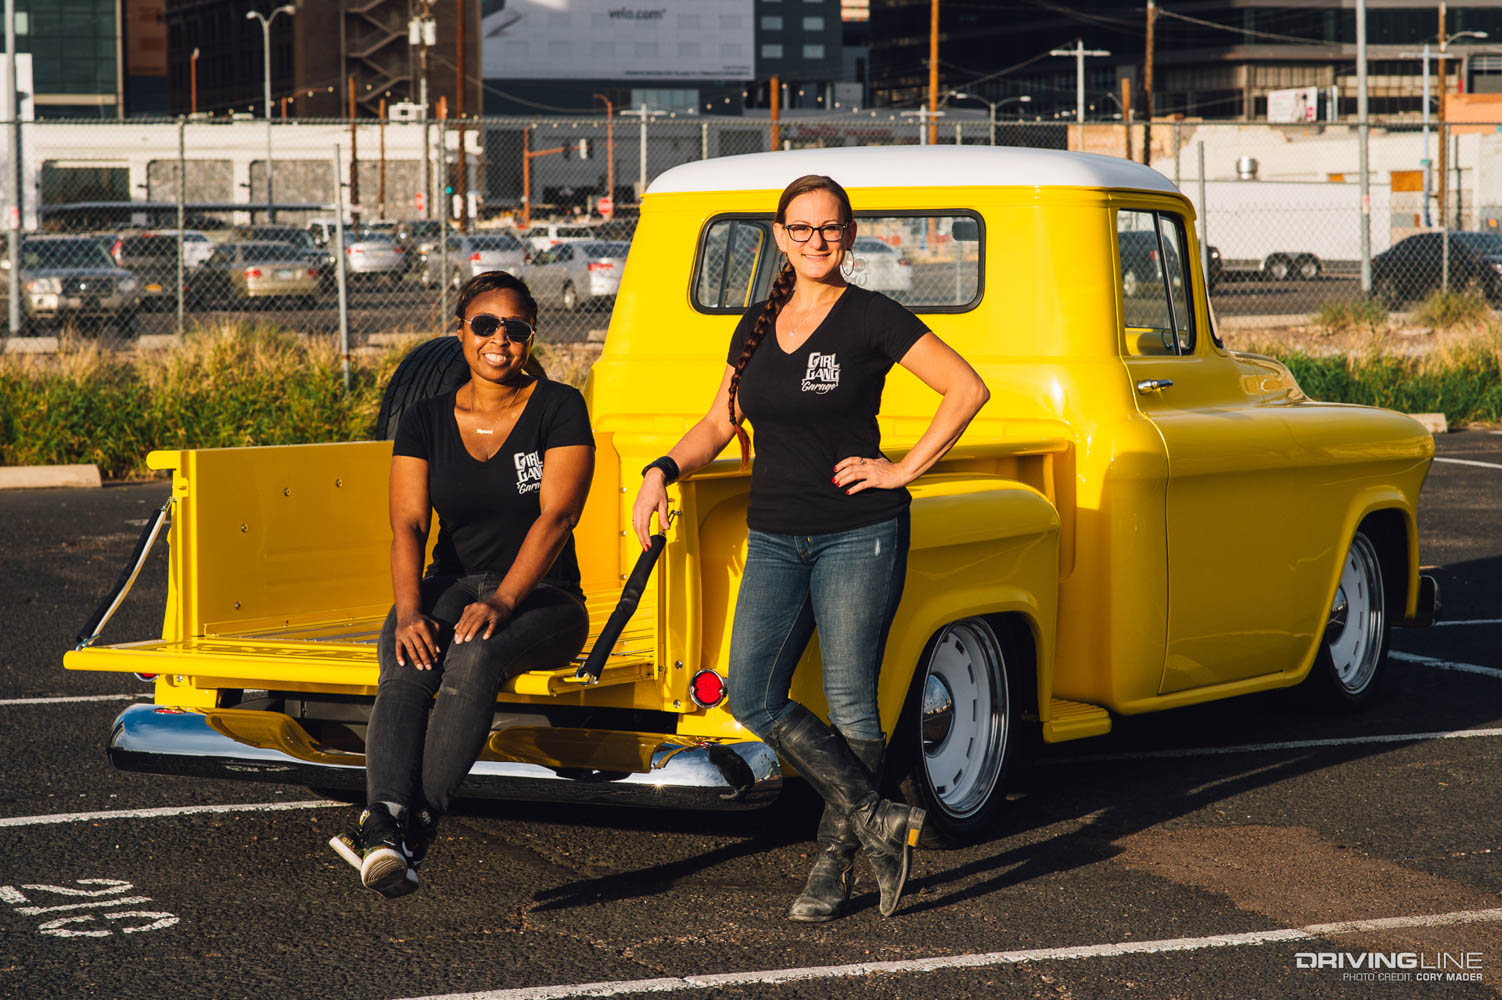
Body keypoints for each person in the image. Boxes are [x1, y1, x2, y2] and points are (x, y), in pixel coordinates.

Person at [632, 174, 990, 920]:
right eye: (801, 229)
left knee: (855, 700)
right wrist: (661, 469)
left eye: (829, 228)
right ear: (779, 236)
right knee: (751, 689)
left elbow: (965, 389)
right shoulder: (757, 323)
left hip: (859, 533)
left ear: (850, 235)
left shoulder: (873, 318)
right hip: (774, 534)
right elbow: (719, 422)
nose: (816, 241)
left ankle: (832, 866)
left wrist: (900, 468)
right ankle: (878, 816)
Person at [339, 271, 595, 897]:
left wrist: (504, 600)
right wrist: (408, 611)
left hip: (545, 595)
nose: (499, 338)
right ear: (461, 332)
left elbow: (557, 517)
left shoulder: (559, 406)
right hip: (451, 581)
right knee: (406, 655)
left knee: (476, 652)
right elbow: (407, 522)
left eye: (515, 328)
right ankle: (385, 825)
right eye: (485, 324)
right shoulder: (427, 417)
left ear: (530, 338)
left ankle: (413, 826)